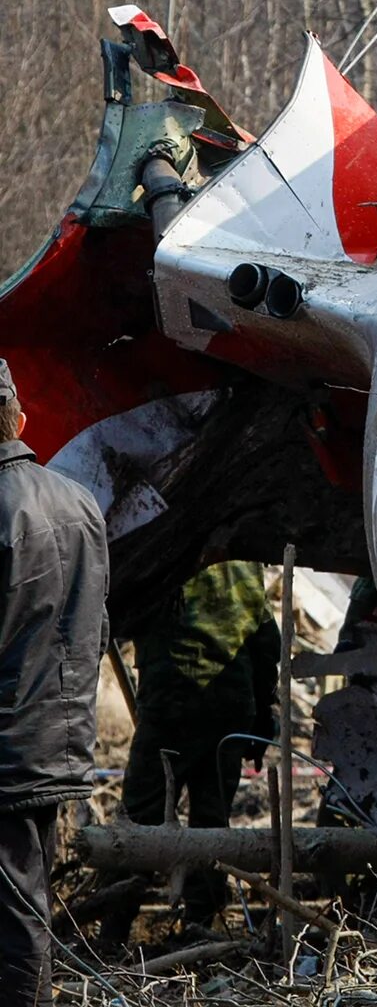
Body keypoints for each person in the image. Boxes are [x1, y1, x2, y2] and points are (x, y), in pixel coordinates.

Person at [0, 359, 109, 1005]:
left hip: (8, 748)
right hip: (59, 741)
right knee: (28, 903)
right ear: (21, 417)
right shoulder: (80, 500)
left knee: (14, 918)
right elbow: (95, 622)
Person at [103, 553, 280, 942]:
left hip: (173, 701)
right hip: (230, 705)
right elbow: (267, 639)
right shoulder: (243, 562)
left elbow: (125, 613)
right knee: (212, 823)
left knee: (139, 818)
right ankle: (203, 924)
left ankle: (112, 931)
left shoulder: (171, 551)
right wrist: (262, 716)